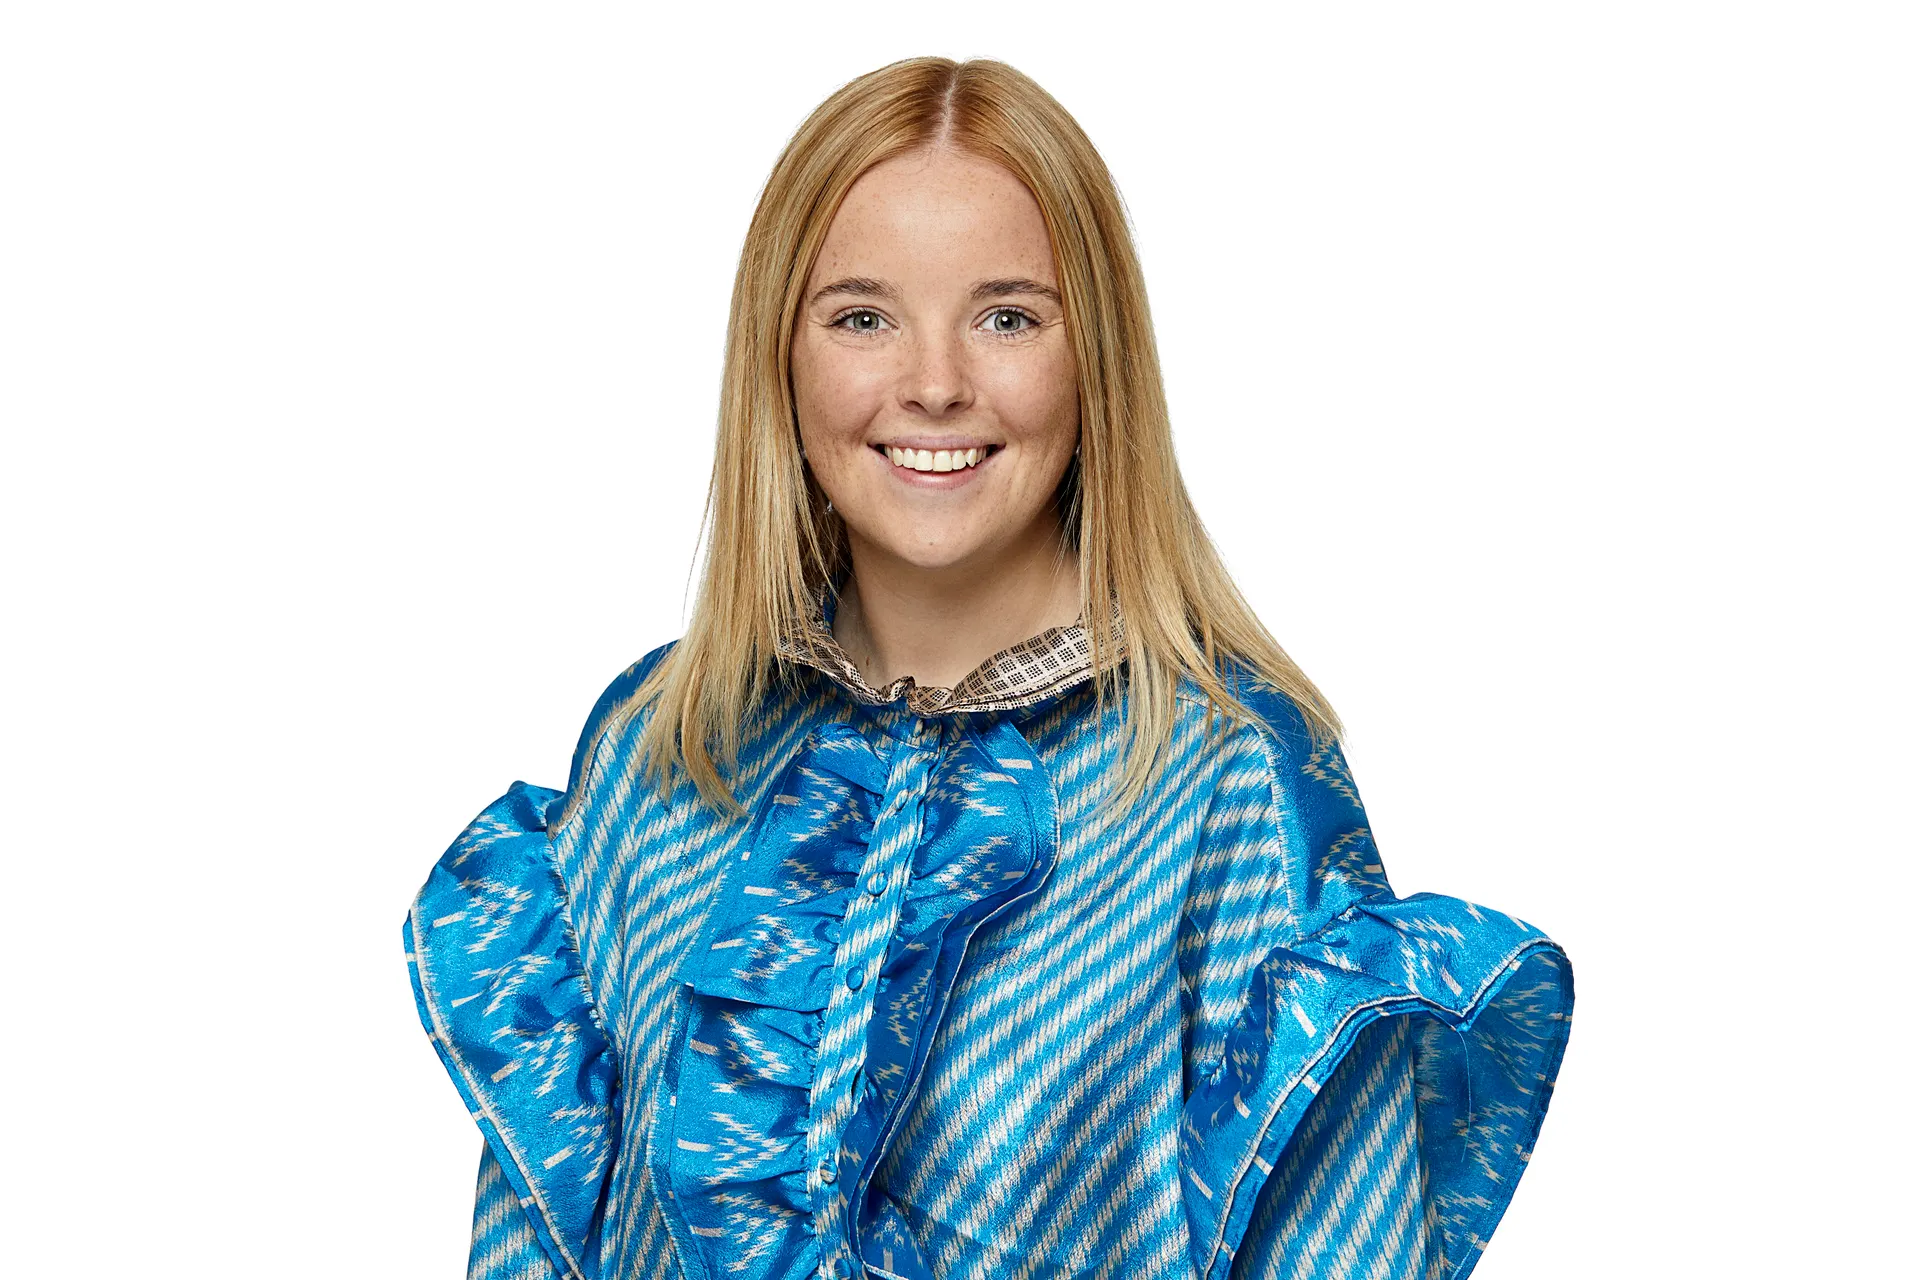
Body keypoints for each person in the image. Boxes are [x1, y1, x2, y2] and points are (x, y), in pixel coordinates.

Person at [404, 55, 1574, 1280]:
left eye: (1007, 316)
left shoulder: (1227, 776)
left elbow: (1340, 1245)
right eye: (862, 316)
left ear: (1094, 356)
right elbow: (536, 1241)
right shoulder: (662, 748)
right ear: (780, 354)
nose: (935, 384)